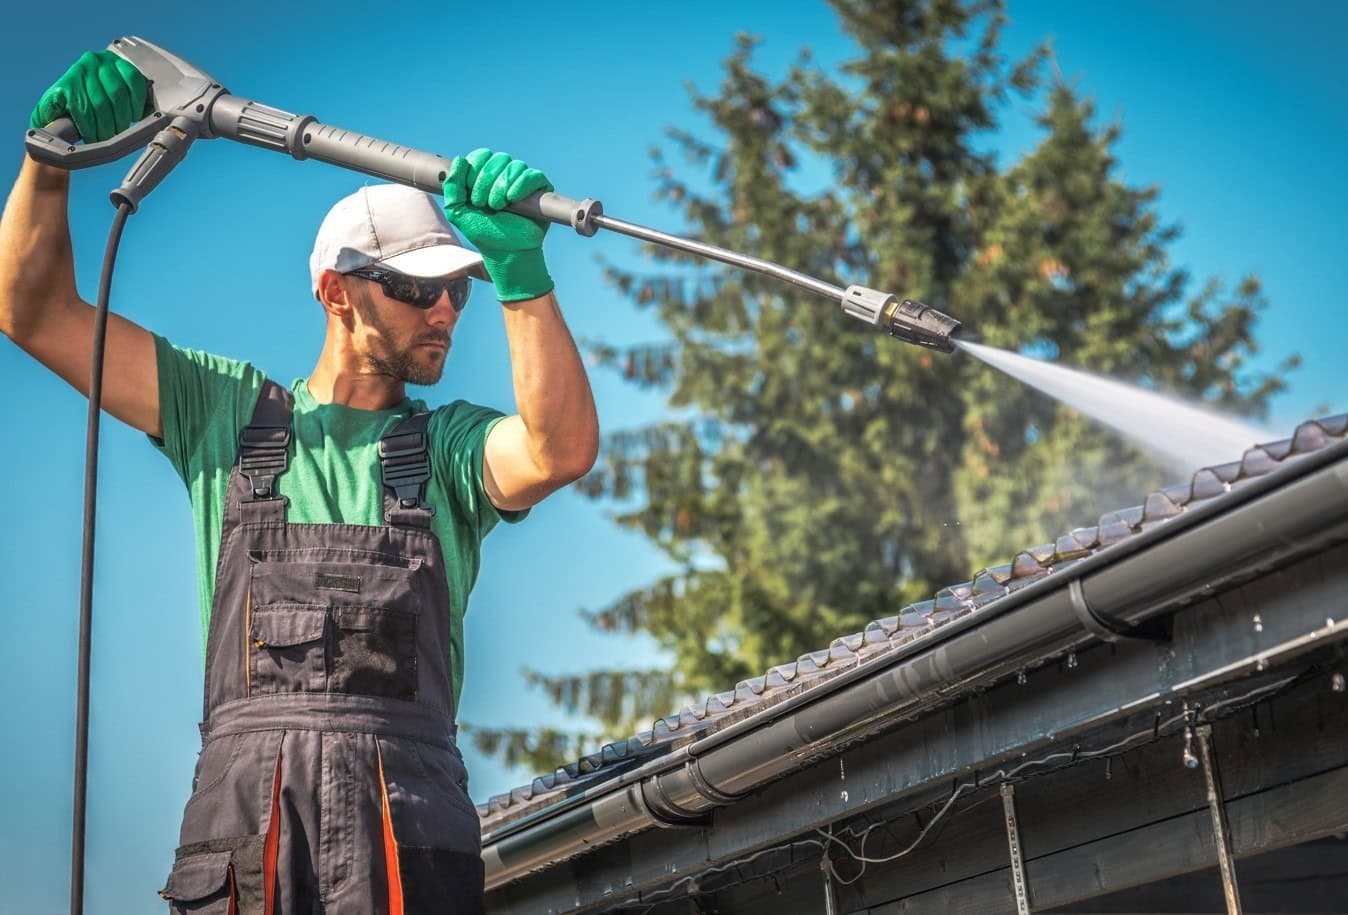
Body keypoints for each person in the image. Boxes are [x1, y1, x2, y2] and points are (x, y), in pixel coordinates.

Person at [2, 50, 599, 913]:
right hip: (251, 828)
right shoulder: (225, 413)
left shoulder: (448, 450)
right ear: (336, 291)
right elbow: (35, 312)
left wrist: (521, 277)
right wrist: (46, 162)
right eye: (414, 289)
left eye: (457, 294)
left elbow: (558, 449)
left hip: (408, 830)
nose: (444, 312)